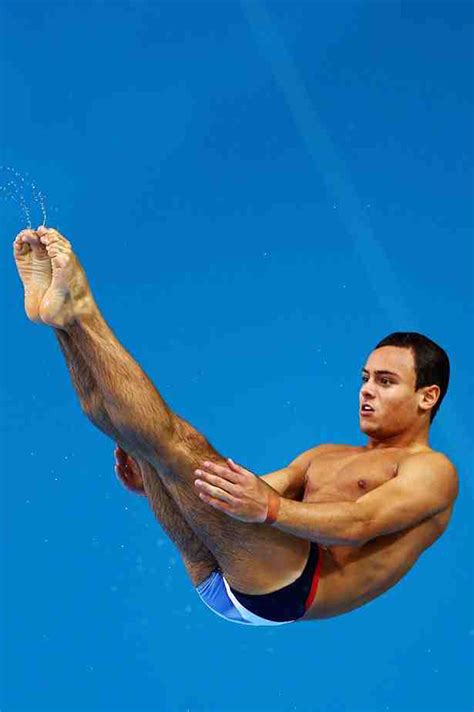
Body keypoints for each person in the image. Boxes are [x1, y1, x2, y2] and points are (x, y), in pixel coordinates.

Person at [13, 226, 459, 626]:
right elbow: (248, 492)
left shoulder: (431, 471)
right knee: (145, 445)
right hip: (227, 580)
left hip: (294, 588)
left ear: (427, 396)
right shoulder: (325, 456)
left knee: (178, 440)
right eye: (364, 379)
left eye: (385, 382)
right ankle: (60, 323)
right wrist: (164, 488)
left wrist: (271, 509)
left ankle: (83, 310)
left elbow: (361, 522)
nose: (366, 391)